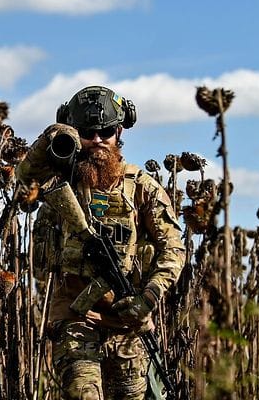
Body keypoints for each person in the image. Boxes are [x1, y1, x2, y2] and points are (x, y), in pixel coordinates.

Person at [17, 85, 185, 400]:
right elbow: (25, 177)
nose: (97, 140)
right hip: (75, 316)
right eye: (87, 131)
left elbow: (173, 250)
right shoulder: (62, 180)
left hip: (127, 320)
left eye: (105, 131)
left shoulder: (142, 188)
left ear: (119, 131)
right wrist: (53, 136)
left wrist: (147, 298)